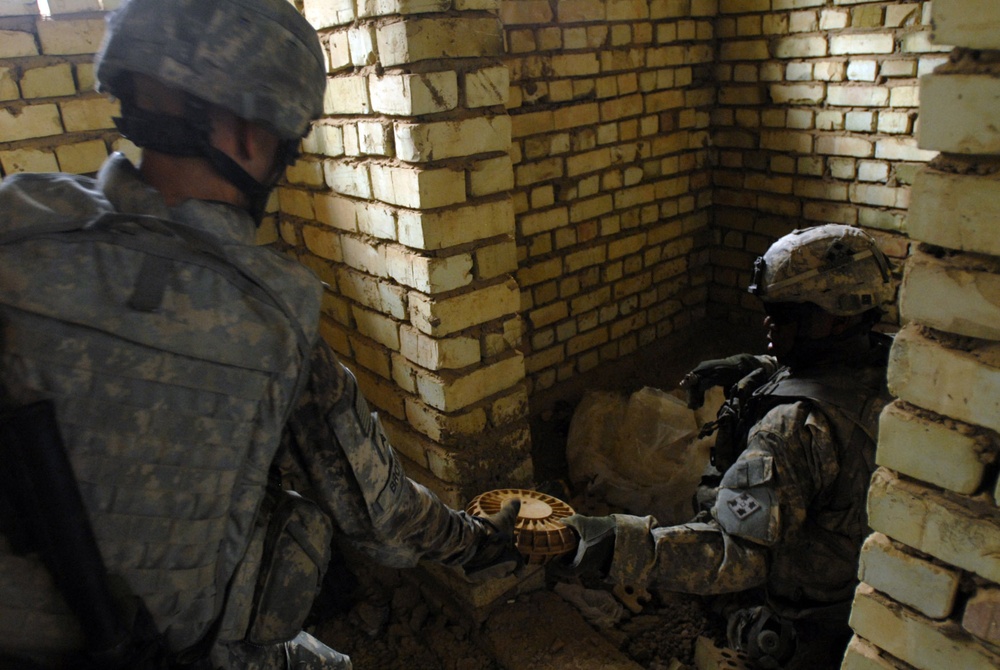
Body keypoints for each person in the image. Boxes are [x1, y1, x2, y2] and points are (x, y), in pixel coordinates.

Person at [0, 1, 518, 668]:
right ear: (247, 136)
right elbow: (383, 519)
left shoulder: (18, 224)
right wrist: (480, 540)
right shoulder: (271, 322)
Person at [561, 224, 895, 668]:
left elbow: (730, 553)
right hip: (868, 583)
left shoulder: (792, 431)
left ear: (838, 318)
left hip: (813, 617)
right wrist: (754, 367)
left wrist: (602, 544)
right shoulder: (896, 368)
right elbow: (828, 375)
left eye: (786, 314)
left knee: (733, 604)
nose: (768, 323)